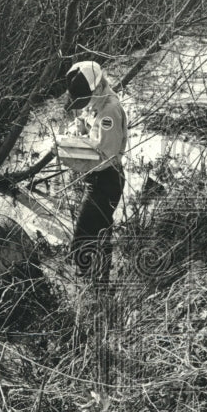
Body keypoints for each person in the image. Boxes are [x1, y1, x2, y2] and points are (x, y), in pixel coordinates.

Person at [61, 60, 127, 283]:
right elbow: (82, 117)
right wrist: (76, 131)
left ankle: (91, 281)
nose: (83, 105)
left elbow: (104, 157)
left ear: (98, 87)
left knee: (83, 239)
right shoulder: (95, 101)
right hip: (98, 179)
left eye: (85, 100)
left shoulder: (109, 111)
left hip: (106, 180)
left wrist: (70, 154)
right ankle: (100, 284)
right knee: (100, 233)